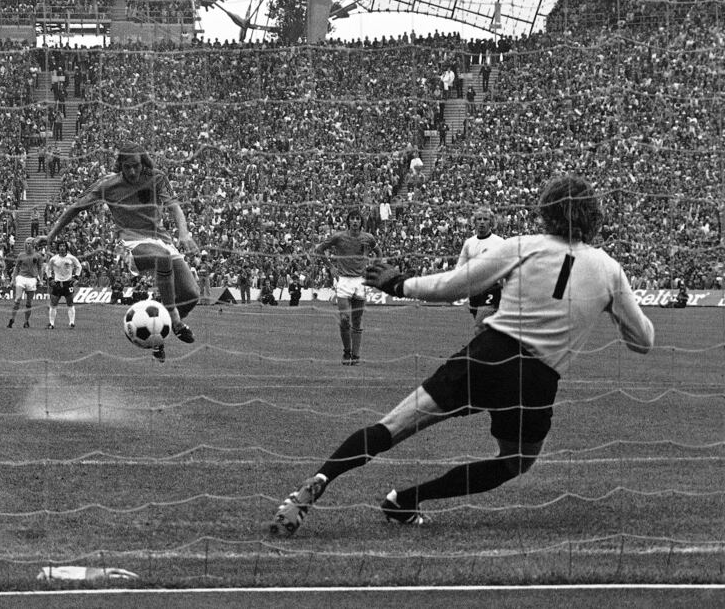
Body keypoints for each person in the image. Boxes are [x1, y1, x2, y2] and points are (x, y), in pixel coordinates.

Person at [271, 174, 654, 536]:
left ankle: (319, 480)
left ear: (546, 211)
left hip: (488, 355)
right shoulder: (609, 270)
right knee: (513, 462)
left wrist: (398, 284)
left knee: (394, 426)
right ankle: (405, 500)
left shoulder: (523, 245)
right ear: (594, 217)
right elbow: (643, 340)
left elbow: (454, 285)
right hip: (537, 380)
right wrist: (611, 308)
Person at [41, 143, 199, 362]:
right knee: (162, 260)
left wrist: (184, 233)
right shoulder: (108, 184)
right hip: (131, 244)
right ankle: (176, 321)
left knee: (191, 295)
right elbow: (75, 208)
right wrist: (50, 236)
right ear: (120, 166)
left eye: (135, 166)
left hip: (162, 240)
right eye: (127, 167)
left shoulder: (157, 177)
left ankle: (157, 335)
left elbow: (175, 207)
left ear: (143, 162)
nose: (132, 172)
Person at [313, 209, 379, 365]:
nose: (355, 221)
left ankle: (355, 356)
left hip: (361, 281)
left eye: (358, 219)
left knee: (357, 319)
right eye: (352, 218)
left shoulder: (368, 238)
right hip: (343, 280)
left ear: (361, 222)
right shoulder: (339, 237)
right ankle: (346, 352)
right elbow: (319, 250)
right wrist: (330, 267)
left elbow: (378, 252)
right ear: (348, 221)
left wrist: (374, 268)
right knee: (344, 318)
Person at [457, 206, 506, 333]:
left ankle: (477, 352)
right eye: (479, 219)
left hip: (492, 288)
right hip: (474, 290)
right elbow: (460, 267)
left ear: (491, 222)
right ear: (474, 222)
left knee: (479, 328)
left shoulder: (499, 242)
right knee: (488, 330)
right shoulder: (469, 243)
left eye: (485, 219)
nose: (482, 222)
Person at [45, 239, 82, 329]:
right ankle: (52, 323)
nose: (62, 248)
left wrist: (76, 277)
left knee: (70, 303)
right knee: (53, 304)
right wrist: (50, 279)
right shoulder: (54, 259)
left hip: (68, 283)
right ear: (58, 248)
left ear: (66, 247)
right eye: (60, 246)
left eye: (64, 246)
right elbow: (48, 269)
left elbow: (79, 266)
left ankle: (72, 323)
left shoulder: (71, 258)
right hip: (57, 283)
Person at [7, 237, 43, 328]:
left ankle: (26, 321)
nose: (28, 245)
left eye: (30, 243)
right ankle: (12, 319)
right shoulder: (21, 255)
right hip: (21, 278)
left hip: (32, 279)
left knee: (29, 303)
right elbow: (16, 268)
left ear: (34, 244)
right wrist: (13, 279)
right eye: (26, 243)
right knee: (17, 299)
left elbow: (40, 269)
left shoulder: (38, 256)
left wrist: (41, 280)